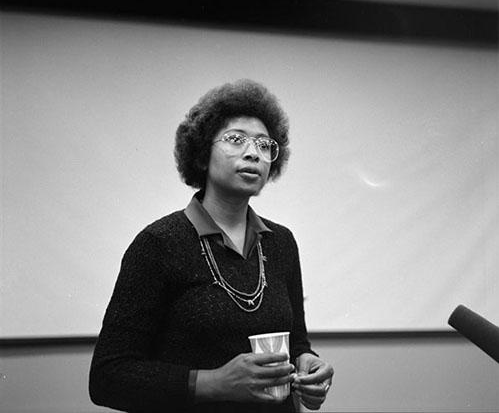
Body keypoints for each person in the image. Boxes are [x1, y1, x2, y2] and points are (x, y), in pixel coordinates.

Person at [89, 80, 333, 412]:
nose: (253, 153)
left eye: (264, 145)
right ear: (203, 155)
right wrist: (213, 383)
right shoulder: (158, 244)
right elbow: (108, 377)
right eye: (236, 139)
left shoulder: (282, 243)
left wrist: (308, 365)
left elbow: (297, 342)